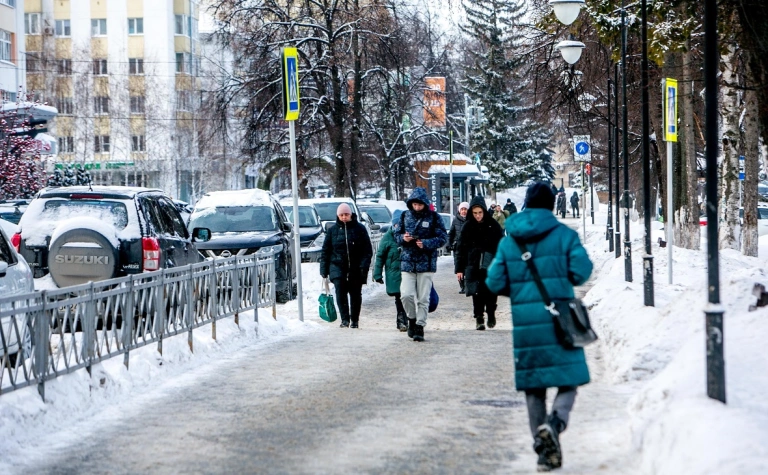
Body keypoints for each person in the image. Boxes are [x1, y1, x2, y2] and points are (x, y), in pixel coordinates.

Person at [485, 183, 593, 472]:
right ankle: (555, 423)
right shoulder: (565, 236)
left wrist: (521, 293)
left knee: (534, 388)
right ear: (551, 205)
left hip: (527, 325)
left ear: (527, 205)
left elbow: (494, 282)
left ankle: (544, 453)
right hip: (561, 321)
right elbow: (582, 272)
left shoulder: (510, 241)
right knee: (569, 380)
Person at [394, 187, 448, 342]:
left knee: (423, 298)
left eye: (420, 205)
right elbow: (396, 235)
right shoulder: (404, 216)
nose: (417, 207)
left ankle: (420, 326)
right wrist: (404, 239)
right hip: (407, 262)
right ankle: (411, 318)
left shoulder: (434, 217)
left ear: (425, 204)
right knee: (406, 294)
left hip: (426, 263)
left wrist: (425, 243)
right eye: (414, 205)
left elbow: (443, 237)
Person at [320, 203, 373, 328]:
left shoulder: (359, 229)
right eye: (341, 215)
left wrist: (363, 266)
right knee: (340, 291)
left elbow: (367, 250)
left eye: (346, 214)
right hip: (337, 266)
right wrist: (324, 269)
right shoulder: (332, 231)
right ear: (338, 216)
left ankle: (354, 320)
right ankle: (344, 319)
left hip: (356, 267)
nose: (344, 217)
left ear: (350, 215)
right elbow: (326, 250)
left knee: (355, 294)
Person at [455, 196, 504, 330]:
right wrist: (459, 269)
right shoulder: (467, 227)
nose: (477, 216)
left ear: (484, 211)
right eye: (475, 213)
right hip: (473, 263)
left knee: (491, 291)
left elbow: (502, 245)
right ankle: (479, 317)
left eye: (480, 213)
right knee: (476, 292)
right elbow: (460, 249)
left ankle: (491, 313)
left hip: (490, 264)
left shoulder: (493, 225)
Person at [373, 210, 407, 331]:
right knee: (399, 297)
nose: (398, 226)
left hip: (408, 272)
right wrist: (377, 274)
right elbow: (380, 256)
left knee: (408, 297)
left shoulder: (407, 235)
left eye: (400, 224)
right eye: (396, 224)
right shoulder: (387, 238)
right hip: (394, 274)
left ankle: (408, 319)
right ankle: (401, 320)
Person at [447, 201, 470, 294]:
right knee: (458, 267)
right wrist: (449, 244)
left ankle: (468, 284)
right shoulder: (456, 220)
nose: (464, 211)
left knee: (468, 266)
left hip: (469, 248)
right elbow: (451, 234)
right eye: (462, 209)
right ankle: (462, 286)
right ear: (459, 210)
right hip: (458, 248)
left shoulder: (471, 220)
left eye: (465, 209)